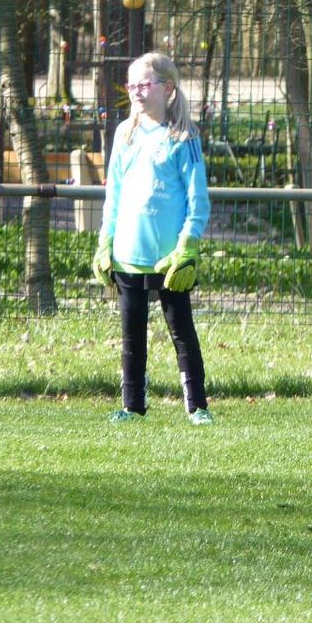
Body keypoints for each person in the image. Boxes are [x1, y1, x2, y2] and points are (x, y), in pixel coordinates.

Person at [92, 52, 213, 426]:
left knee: (182, 333)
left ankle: (197, 406)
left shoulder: (184, 137)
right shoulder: (124, 135)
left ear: (167, 88)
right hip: (128, 254)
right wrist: (105, 241)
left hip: (168, 259)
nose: (136, 92)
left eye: (144, 84)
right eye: (132, 85)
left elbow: (198, 199)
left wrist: (187, 246)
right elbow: (114, 194)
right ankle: (132, 406)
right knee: (131, 336)